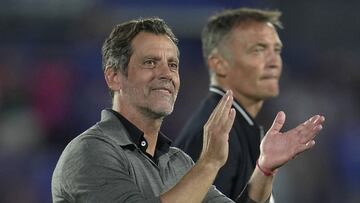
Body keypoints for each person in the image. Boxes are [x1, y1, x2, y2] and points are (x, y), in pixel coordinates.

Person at [51, 17, 325, 203]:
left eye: (172, 65)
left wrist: (264, 170)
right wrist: (210, 162)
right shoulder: (90, 153)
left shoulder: (178, 163)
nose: (166, 74)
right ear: (114, 77)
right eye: (150, 62)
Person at [174, 7, 302, 201]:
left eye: (276, 50)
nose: (274, 61)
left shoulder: (237, 126)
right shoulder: (214, 135)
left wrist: (264, 171)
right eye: (258, 50)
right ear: (219, 64)